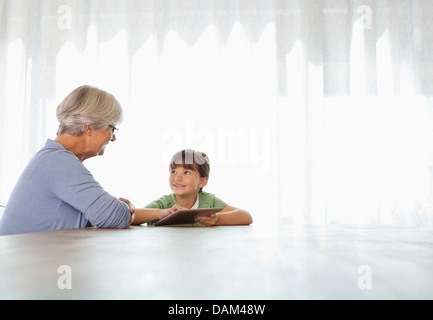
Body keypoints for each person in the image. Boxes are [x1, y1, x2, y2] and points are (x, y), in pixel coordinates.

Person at [0, 85, 135, 236]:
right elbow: (112, 216)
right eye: (112, 128)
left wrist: (120, 208)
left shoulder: (53, 158)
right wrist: (123, 207)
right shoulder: (57, 161)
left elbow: (100, 214)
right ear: (88, 127)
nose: (113, 137)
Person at [133, 149, 253, 226]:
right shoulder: (164, 204)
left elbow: (246, 216)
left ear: (202, 181)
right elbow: (132, 216)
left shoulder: (209, 202)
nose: (177, 178)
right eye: (173, 171)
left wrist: (217, 219)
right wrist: (161, 213)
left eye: (187, 173)